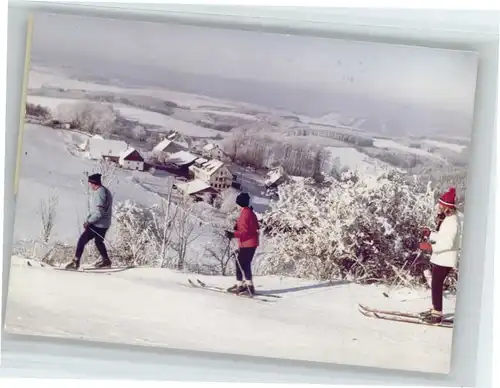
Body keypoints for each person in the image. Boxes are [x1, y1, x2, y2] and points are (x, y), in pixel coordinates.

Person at [419, 187, 461, 324]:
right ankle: (435, 309)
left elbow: (448, 244)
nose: (439, 208)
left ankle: (437, 314)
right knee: (436, 284)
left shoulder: (452, 222)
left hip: (446, 259)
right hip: (442, 259)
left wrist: (430, 247)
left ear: (447, 207)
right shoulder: (449, 219)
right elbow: (443, 237)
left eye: (442, 206)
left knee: (436, 285)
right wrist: (430, 234)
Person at [65, 173, 113, 270]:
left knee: (82, 240)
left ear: (94, 183)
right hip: (105, 223)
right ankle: (106, 261)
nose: (89, 185)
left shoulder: (100, 192)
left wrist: (89, 221)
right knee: (99, 242)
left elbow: (99, 212)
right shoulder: (106, 191)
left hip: (98, 223)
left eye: (90, 183)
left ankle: (76, 261)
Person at [224, 192, 260, 295]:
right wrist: (237, 227)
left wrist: (233, 234)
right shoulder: (250, 212)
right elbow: (255, 226)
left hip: (247, 243)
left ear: (239, 203)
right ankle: (248, 285)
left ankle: (240, 285)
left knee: (240, 264)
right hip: (252, 243)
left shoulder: (245, 213)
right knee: (245, 264)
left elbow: (245, 232)